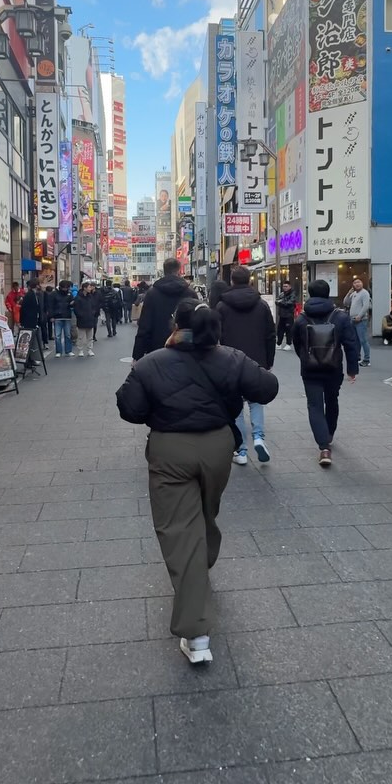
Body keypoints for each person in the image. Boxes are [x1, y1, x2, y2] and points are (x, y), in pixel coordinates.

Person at [116, 300, 278, 665]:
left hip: (170, 449)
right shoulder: (230, 357)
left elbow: (130, 409)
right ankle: (202, 560)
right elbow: (267, 387)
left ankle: (197, 631)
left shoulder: (152, 362)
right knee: (206, 511)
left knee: (179, 530)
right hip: (218, 445)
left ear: (176, 326)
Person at [293, 279, 359, 468]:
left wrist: (305, 359)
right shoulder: (340, 316)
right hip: (333, 368)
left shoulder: (302, 318)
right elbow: (350, 344)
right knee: (332, 400)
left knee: (314, 405)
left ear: (310, 293)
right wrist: (352, 369)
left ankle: (323, 447)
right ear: (328, 293)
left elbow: (297, 343)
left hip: (310, 370)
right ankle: (328, 434)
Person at [217, 265, 276, 465]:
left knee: (236, 405)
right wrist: (268, 362)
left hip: (230, 360)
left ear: (231, 281)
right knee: (256, 400)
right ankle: (259, 437)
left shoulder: (222, 306)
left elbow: (217, 335)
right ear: (250, 280)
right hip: (256, 360)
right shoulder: (261, 305)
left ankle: (241, 450)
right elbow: (270, 334)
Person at [133, 258, 196, 360]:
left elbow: (144, 325)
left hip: (157, 350)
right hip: (185, 349)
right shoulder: (190, 293)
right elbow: (197, 322)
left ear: (164, 271)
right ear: (179, 270)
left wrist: (137, 355)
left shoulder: (152, 293)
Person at [344, 277, 372, 366]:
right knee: (355, 340)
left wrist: (359, 316)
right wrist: (349, 293)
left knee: (363, 340)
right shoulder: (354, 293)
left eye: (359, 282)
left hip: (361, 320)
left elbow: (366, 306)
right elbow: (346, 303)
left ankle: (367, 360)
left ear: (362, 283)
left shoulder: (364, 293)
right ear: (353, 285)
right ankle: (357, 357)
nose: (357, 284)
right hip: (353, 320)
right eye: (355, 282)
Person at [18, 279, 42, 373]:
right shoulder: (29, 295)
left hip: (32, 321)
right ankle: (28, 361)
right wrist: (22, 321)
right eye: (38, 285)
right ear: (36, 285)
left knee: (32, 342)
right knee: (29, 342)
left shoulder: (34, 294)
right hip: (29, 322)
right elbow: (24, 310)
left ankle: (31, 360)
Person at [49, 281, 75, 358]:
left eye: (67, 287)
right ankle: (58, 351)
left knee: (68, 335)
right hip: (57, 317)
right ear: (61, 287)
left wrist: (72, 304)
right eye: (65, 287)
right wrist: (51, 316)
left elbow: (72, 304)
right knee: (57, 336)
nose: (66, 289)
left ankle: (68, 351)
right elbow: (50, 306)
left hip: (67, 316)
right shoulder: (54, 294)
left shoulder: (69, 294)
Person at [73, 281, 96, 357]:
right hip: (82, 319)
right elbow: (76, 308)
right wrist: (80, 315)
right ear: (84, 288)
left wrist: (92, 313)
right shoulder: (78, 297)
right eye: (89, 287)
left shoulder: (90, 297)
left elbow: (93, 306)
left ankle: (89, 349)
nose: (90, 288)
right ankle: (80, 350)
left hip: (90, 318)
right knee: (81, 336)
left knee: (90, 336)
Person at [275, 280, 297, 350]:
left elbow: (290, 303)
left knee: (289, 330)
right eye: (284, 286)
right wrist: (282, 302)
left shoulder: (293, 294)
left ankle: (288, 344)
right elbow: (276, 301)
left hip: (289, 315)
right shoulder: (282, 294)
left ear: (290, 287)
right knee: (280, 330)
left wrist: (281, 302)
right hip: (282, 314)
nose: (284, 288)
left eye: (286, 286)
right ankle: (279, 343)